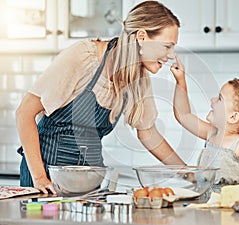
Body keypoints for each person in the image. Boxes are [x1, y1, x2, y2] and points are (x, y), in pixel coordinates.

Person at [15, 1, 186, 194]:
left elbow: (148, 133)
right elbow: (24, 112)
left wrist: (188, 173)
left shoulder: (137, 78)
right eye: (167, 46)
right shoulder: (84, 56)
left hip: (88, 182)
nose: (170, 55)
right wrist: (39, 177)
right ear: (141, 37)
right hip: (47, 178)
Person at [171, 57, 239, 200]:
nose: (212, 100)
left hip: (231, 217)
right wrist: (180, 81)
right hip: (205, 211)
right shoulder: (212, 134)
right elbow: (183, 114)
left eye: (219, 99)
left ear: (233, 117)